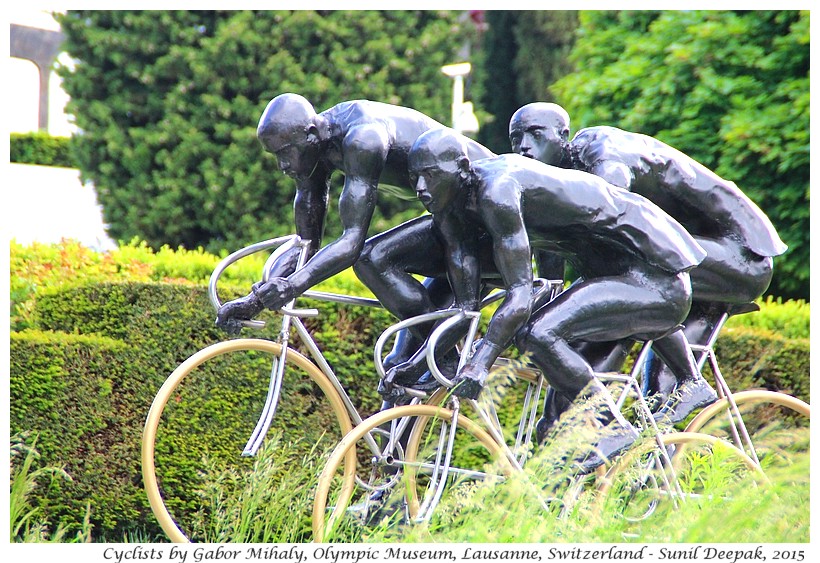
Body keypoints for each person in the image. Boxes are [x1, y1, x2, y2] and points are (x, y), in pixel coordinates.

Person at [406, 128, 709, 470]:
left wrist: (480, 363)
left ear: (462, 168)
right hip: (611, 269)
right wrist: (420, 362)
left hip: (655, 277)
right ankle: (678, 387)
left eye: (429, 175)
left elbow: (521, 293)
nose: (419, 187)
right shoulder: (455, 202)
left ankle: (610, 426)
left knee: (537, 334)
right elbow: (467, 307)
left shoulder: (498, 190)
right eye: (414, 177)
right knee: (540, 337)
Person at [509, 102, 787, 425]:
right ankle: (651, 453)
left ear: (563, 136)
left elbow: (608, 223)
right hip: (677, 252)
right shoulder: (559, 182)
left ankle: (690, 379)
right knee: (652, 400)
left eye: (535, 134)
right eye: (516, 139)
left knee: (627, 274)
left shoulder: (603, 158)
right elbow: (557, 247)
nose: (524, 147)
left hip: (739, 253)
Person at [215, 94, 494, 356]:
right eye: (275, 155)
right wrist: (255, 300)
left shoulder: (363, 138)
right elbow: (305, 247)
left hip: (485, 216)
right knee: (397, 364)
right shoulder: (311, 156)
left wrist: (290, 288)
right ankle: (436, 361)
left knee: (371, 259)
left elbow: (352, 243)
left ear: (311, 135)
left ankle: (441, 357)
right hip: (454, 222)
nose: (282, 165)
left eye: (286, 152)